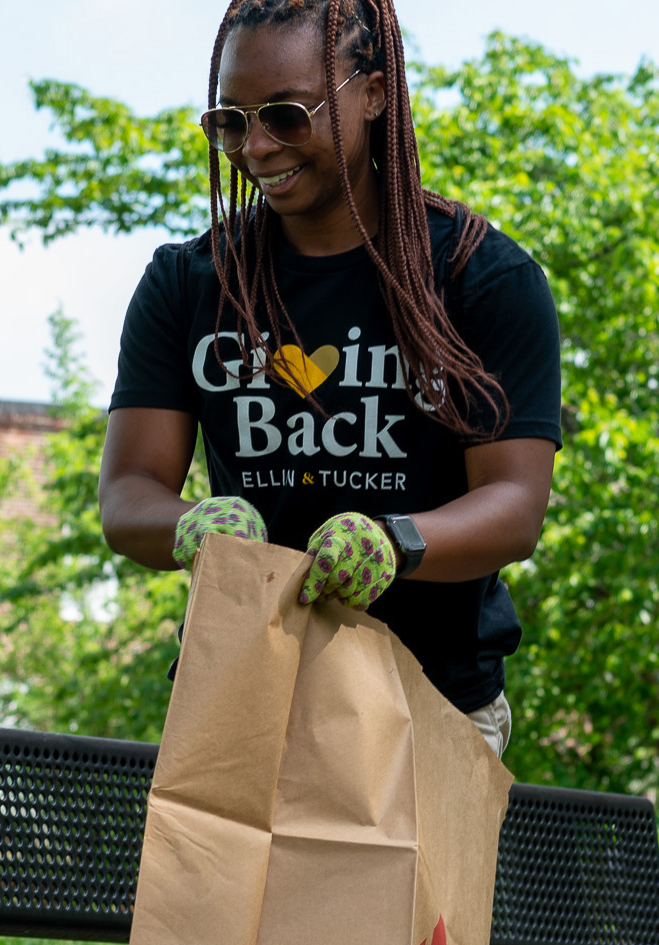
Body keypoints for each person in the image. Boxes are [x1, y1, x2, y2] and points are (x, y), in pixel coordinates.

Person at [100, 0, 561, 756]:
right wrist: (190, 524)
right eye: (231, 122)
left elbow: (516, 505)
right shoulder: (188, 283)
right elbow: (126, 493)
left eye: (286, 114)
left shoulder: (480, 278)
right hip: (242, 694)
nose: (257, 147)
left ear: (374, 93)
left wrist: (396, 540)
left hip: (430, 707)